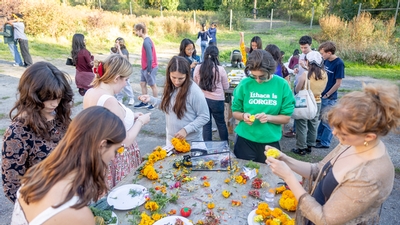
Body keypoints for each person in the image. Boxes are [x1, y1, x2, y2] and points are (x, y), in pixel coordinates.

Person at [266, 82, 400, 225]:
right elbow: (318, 170)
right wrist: (285, 159)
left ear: (369, 136)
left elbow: (325, 219)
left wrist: (288, 177)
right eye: (334, 128)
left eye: (343, 133)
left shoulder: (369, 176)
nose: (335, 134)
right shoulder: (351, 143)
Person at [10, 106, 126, 225]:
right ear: (101, 145)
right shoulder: (78, 215)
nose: (114, 157)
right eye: (116, 150)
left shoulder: (37, 174)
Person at [2, 62, 73, 203]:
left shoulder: (59, 118)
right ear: (32, 95)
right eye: (49, 98)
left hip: (70, 193)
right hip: (43, 205)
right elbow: (12, 187)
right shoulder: (17, 132)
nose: (55, 103)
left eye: (58, 97)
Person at [83, 54, 150, 188]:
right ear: (116, 78)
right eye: (126, 79)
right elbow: (123, 140)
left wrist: (131, 116)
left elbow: (108, 125)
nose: (126, 83)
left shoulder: (91, 92)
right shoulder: (109, 101)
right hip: (118, 159)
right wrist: (141, 121)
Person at [231, 49, 295, 163]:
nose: (258, 80)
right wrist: (243, 115)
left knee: (269, 177)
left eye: (262, 76)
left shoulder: (282, 85)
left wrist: (268, 117)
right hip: (245, 140)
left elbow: (286, 118)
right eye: (254, 76)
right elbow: (235, 112)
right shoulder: (244, 84)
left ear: (271, 71)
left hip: (269, 142)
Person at [139, 56, 209, 147]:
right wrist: (151, 99)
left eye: (181, 78)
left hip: (191, 143)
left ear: (187, 75)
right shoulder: (170, 87)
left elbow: (204, 116)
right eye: (173, 77)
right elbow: (168, 106)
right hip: (172, 141)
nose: (176, 81)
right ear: (169, 74)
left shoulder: (194, 91)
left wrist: (186, 130)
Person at [291, 51, 327, 155]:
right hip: (317, 101)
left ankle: (301, 147)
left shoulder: (306, 74)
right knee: (313, 124)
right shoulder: (324, 73)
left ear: (308, 61)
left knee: (301, 125)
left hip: (304, 102)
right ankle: (310, 145)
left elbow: (297, 89)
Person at [193, 46, 229, 141]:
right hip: (217, 101)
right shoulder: (220, 69)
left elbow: (195, 83)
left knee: (206, 124)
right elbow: (226, 87)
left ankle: (207, 147)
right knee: (221, 123)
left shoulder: (198, 67)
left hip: (203, 99)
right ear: (216, 56)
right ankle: (225, 146)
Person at [315, 41, 345, 148]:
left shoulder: (339, 63)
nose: (321, 56)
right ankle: (318, 138)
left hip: (330, 97)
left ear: (329, 52)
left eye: (323, 53)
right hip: (322, 94)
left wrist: (327, 94)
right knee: (322, 119)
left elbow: (338, 83)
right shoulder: (326, 61)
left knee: (327, 121)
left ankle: (325, 143)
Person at [283, 36, 313, 138]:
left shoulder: (312, 57)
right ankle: (295, 129)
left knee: (302, 112)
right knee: (297, 110)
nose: (303, 50)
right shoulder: (300, 56)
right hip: (298, 83)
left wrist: (305, 67)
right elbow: (300, 70)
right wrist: (296, 70)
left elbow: (313, 71)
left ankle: (300, 135)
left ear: (311, 45)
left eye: (305, 47)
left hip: (305, 87)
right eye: (302, 47)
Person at [133, 23, 158, 110]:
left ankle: (155, 103)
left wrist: (149, 69)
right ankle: (144, 102)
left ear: (140, 30)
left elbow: (150, 57)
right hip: (144, 68)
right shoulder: (146, 41)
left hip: (149, 67)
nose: (136, 33)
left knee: (152, 85)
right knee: (142, 83)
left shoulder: (147, 42)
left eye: (136, 31)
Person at [113, 37, 135, 105]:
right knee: (117, 84)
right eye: (115, 42)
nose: (116, 44)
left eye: (117, 42)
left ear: (121, 43)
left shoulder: (124, 50)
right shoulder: (115, 50)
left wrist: (119, 49)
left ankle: (131, 98)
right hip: (117, 70)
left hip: (124, 70)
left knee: (126, 85)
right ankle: (119, 98)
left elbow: (123, 57)